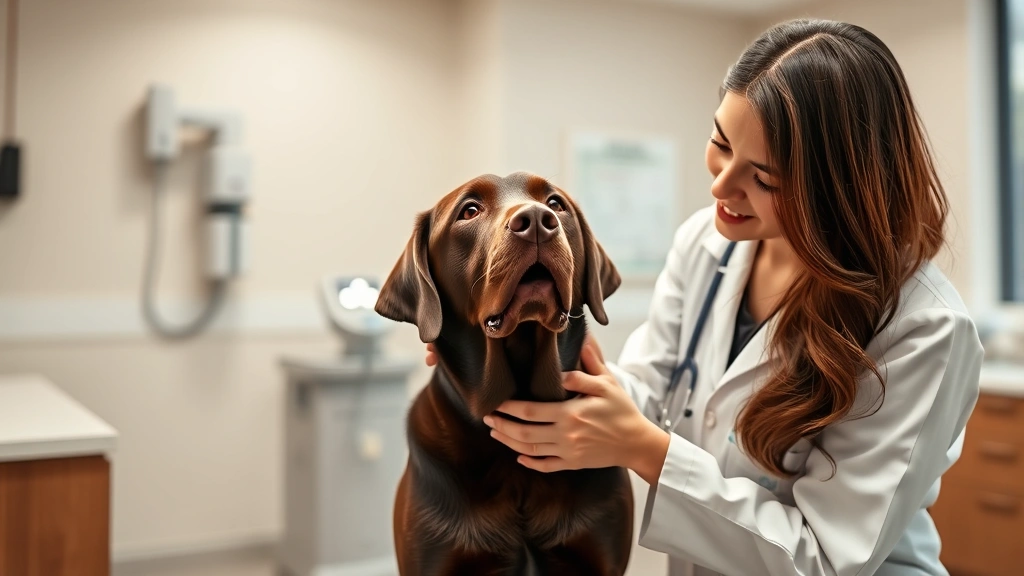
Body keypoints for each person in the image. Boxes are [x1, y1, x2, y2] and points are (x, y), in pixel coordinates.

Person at [424, 18, 983, 576]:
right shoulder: (707, 242)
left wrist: (646, 450)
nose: (721, 186)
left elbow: (826, 557)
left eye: (765, 179)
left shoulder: (923, 329)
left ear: (835, 189)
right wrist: (488, 345)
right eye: (720, 143)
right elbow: (649, 383)